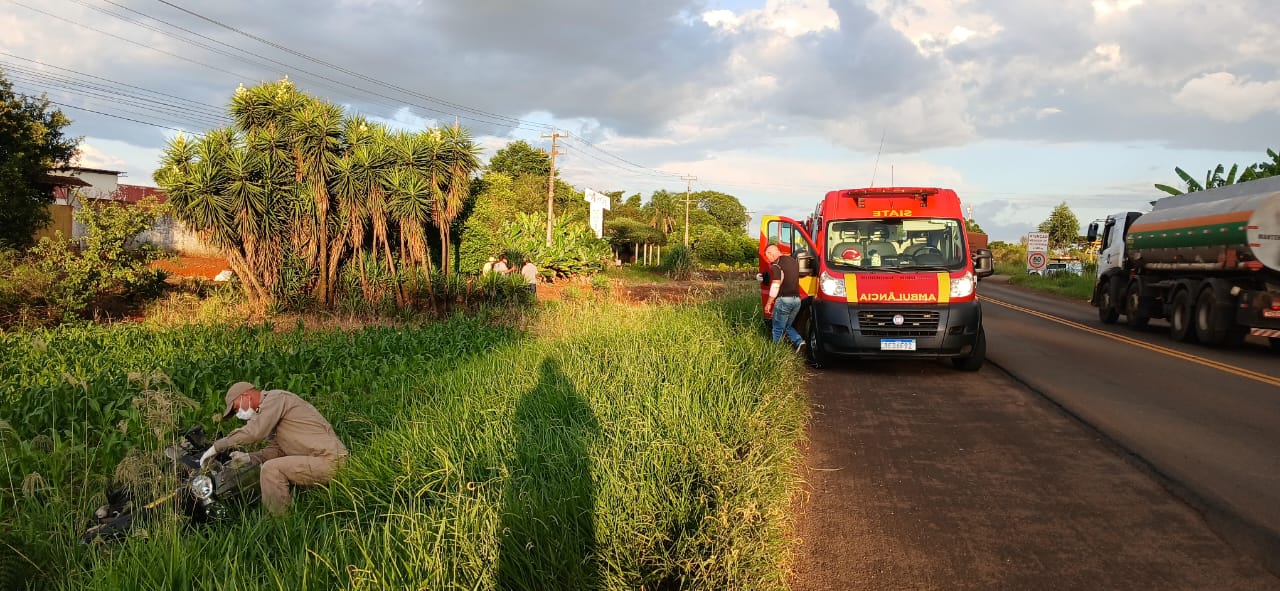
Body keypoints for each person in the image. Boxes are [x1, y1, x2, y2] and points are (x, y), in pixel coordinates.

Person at [199, 382, 348, 515]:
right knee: (272, 465)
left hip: (329, 460)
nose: (238, 415)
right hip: (316, 460)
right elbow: (277, 450)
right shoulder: (273, 415)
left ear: (246, 396)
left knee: (271, 469)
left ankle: (279, 522)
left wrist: (216, 447)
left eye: (236, 409)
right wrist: (250, 457)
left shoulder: (275, 399)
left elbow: (254, 432)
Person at [764, 244, 805, 352]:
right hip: (797, 300)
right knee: (786, 325)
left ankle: (775, 353)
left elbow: (776, 285)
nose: (769, 260)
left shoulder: (776, 264)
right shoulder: (793, 262)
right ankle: (799, 341)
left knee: (777, 327)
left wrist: (769, 303)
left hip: (784, 300)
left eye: (767, 257)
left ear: (771, 253)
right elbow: (785, 278)